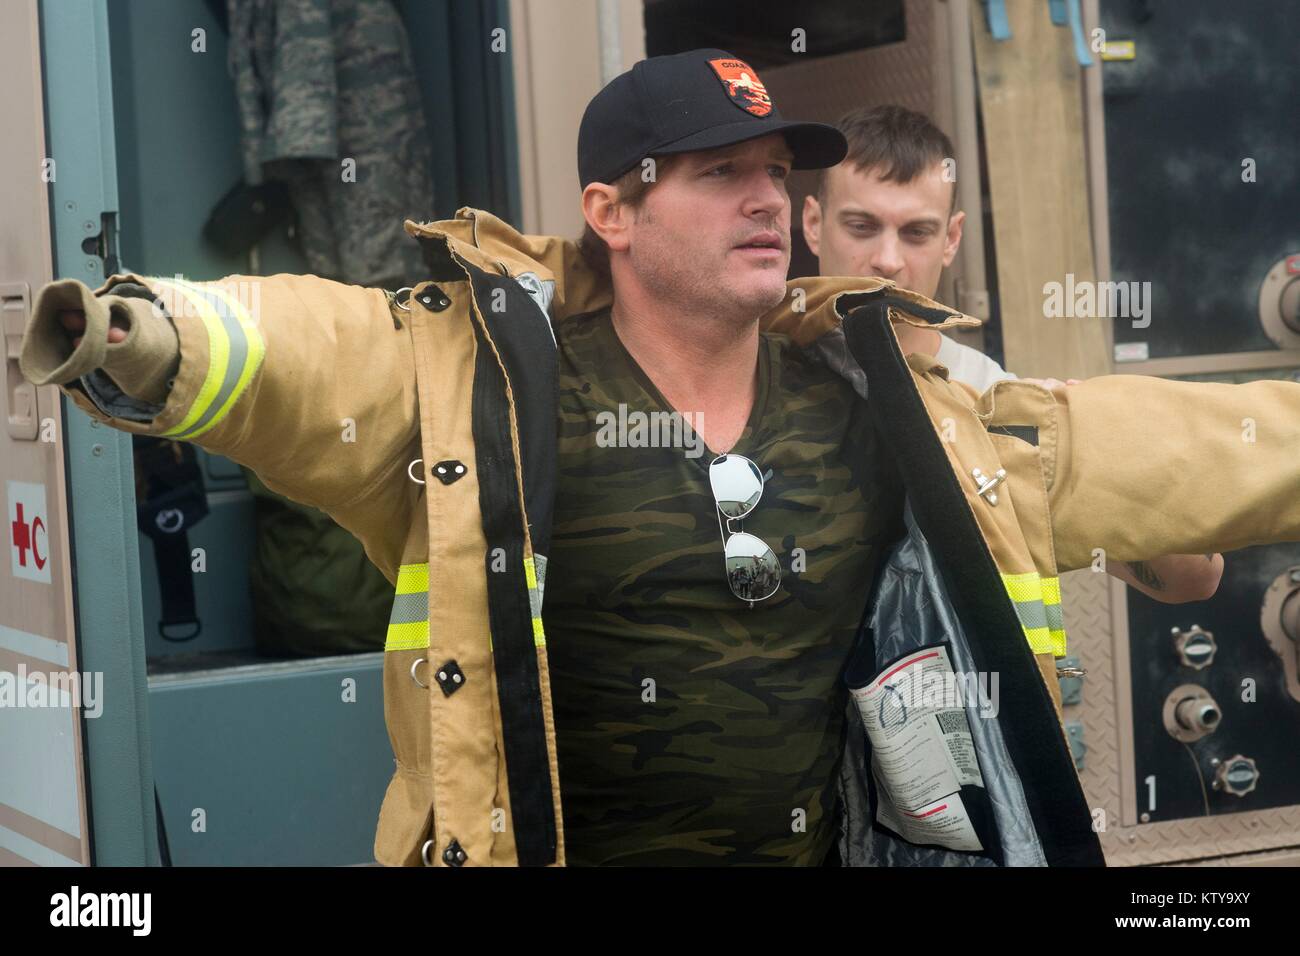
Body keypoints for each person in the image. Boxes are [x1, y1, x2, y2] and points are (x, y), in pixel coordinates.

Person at [21, 49, 1300, 868]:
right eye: (716, 173)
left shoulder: (890, 404)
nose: (764, 199)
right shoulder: (487, 388)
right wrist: (131, 332)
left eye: (772, 173)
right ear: (611, 212)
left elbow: (1140, 444)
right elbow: (304, 348)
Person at [804, 104, 1223, 603]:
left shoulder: (991, 393)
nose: (888, 260)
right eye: (861, 226)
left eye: (917, 232)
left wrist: (1098, 449)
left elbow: (1193, 581)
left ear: (951, 238)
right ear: (813, 223)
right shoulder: (756, 372)